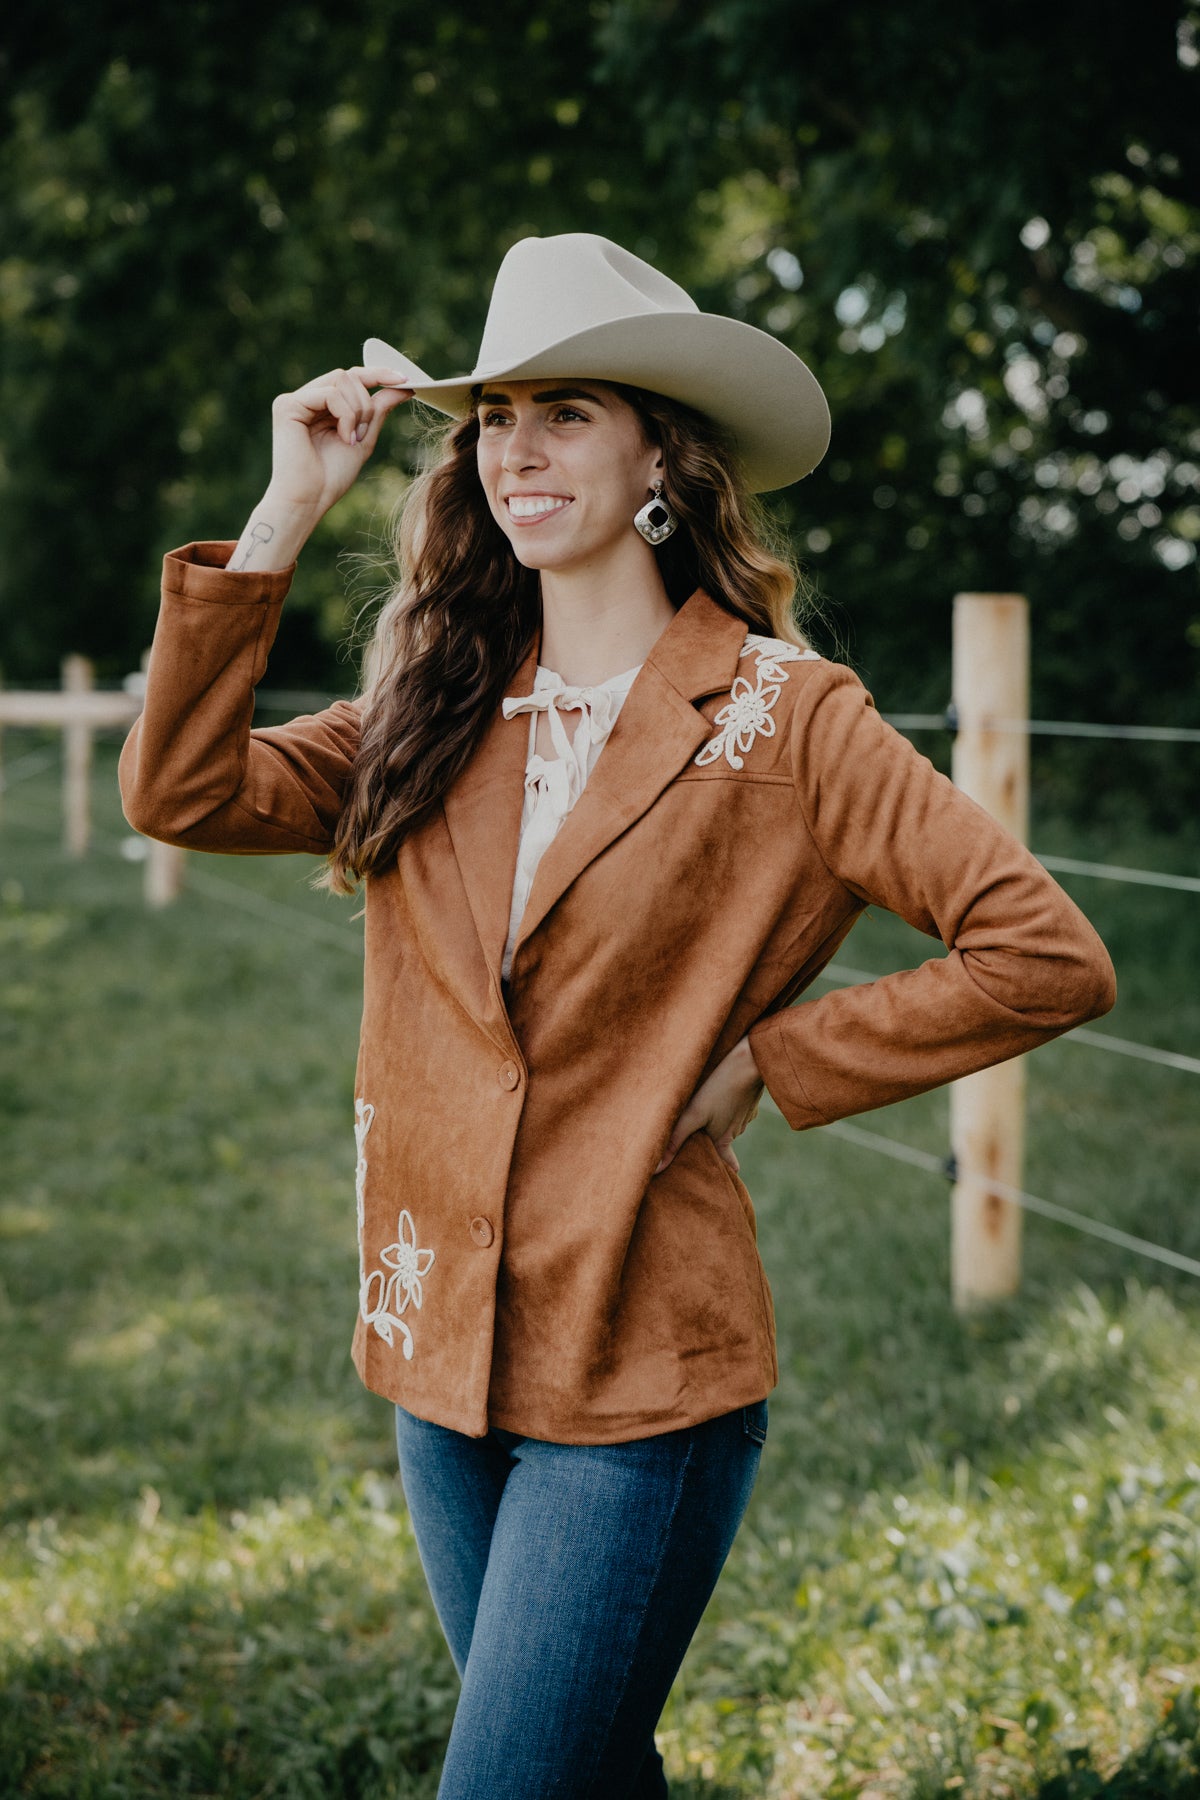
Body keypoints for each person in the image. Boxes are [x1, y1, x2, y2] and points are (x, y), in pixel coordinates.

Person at [119, 232, 1116, 1797]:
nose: (518, 449)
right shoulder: (430, 704)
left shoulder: (791, 716)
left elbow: (1042, 950)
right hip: (432, 1350)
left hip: (639, 1369)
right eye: (498, 417)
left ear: (664, 451)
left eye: (567, 411)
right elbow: (180, 790)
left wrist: (770, 1063)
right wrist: (287, 509)